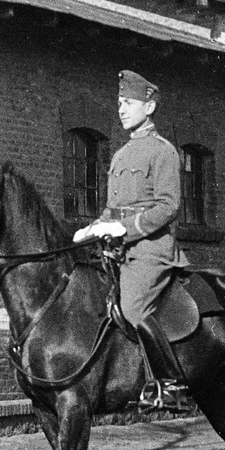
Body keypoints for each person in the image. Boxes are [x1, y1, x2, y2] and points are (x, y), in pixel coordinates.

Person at [72, 69, 188, 404]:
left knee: (134, 308)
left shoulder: (163, 152)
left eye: (129, 103)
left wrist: (127, 229)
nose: (121, 109)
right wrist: (94, 227)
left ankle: (171, 386)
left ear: (149, 107)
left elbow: (169, 206)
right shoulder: (121, 155)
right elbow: (113, 208)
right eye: (120, 103)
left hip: (151, 250)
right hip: (117, 251)